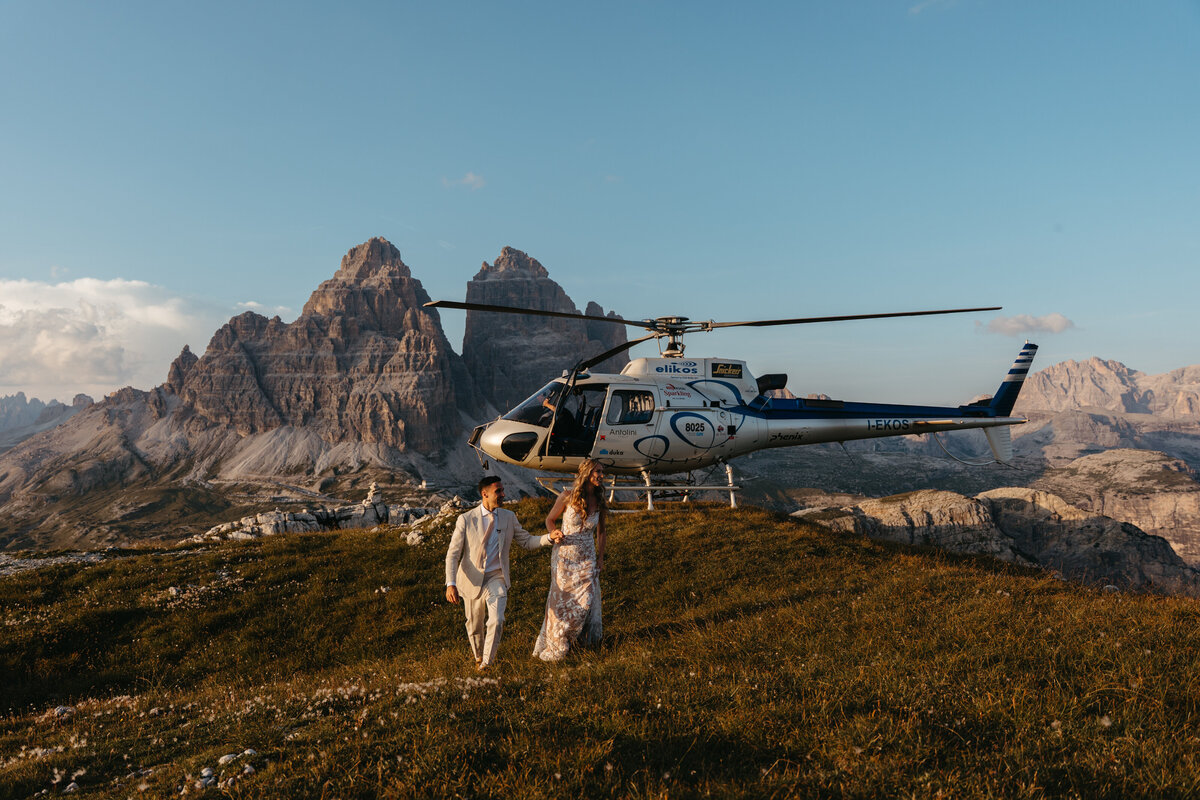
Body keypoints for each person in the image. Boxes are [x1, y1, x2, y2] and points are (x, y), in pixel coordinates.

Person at [445, 476, 559, 671]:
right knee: (474, 626)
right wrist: (451, 584)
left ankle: (487, 664)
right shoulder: (465, 519)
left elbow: (527, 541)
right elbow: (453, 554)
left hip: (497, 577)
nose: (503, 494)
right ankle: (479, 657)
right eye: (498, 491)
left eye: (502, 490)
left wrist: (549, 538)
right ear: (485, 494)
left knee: (497, 620)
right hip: (471, 579)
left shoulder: (508, 517)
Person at [533, 458, 607, 662]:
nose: (601, 475)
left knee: (586, 601)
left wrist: (600, 558)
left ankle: (574, 638)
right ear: (587, 474)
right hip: (565, 556)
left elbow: (601, 532)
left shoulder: (601, 500)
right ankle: (557, 641)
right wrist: (553, 532)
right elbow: (549, 519)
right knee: (562, 601)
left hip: (588, 557)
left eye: (602, 472)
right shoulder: (567, 496)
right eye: (597, 471)